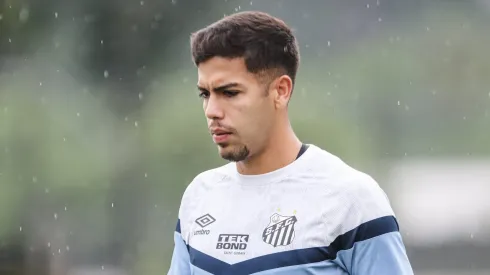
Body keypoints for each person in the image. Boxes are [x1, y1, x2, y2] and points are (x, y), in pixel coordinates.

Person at [167, 10, 413, 275]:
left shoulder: (351, 199)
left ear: (280, 91)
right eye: (205, 94)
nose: (211, 110)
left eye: (229, 92)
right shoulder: (200, 196)